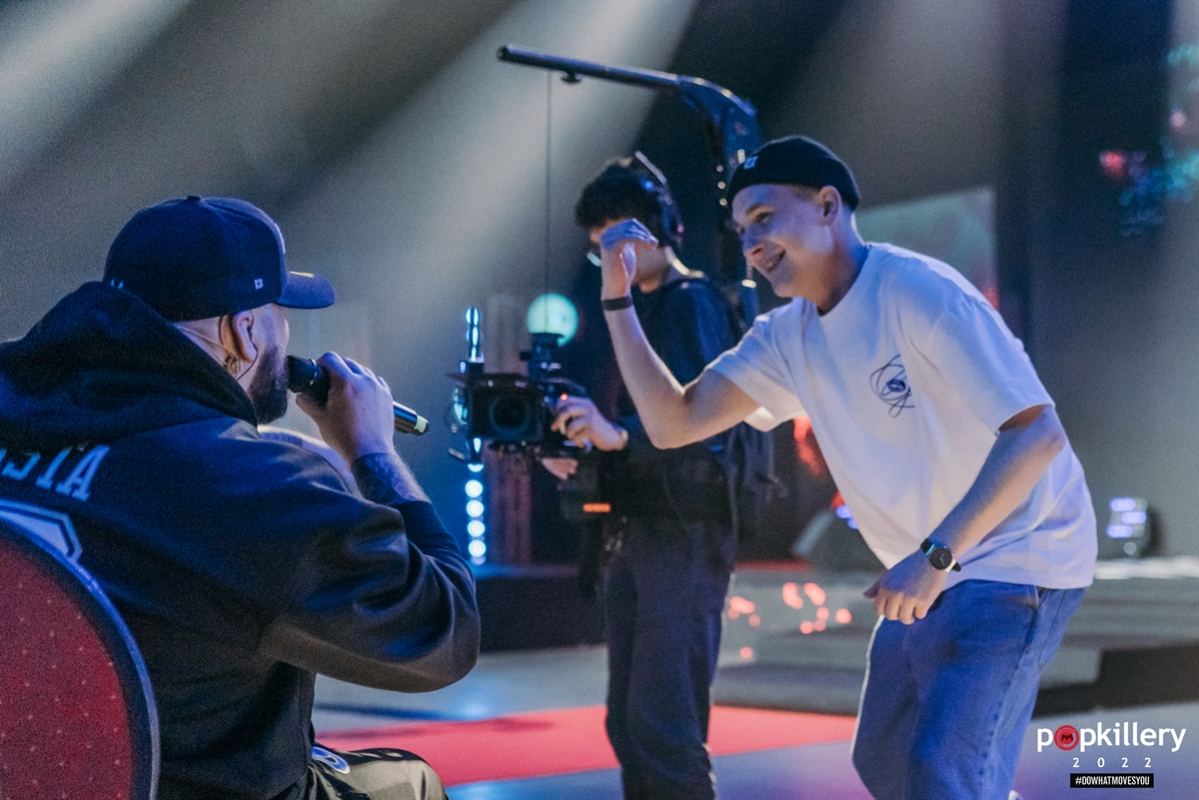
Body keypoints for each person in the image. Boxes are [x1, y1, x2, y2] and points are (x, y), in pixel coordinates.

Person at [596, 137, 1097, 800]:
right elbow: (673, 423)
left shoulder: (916, 290)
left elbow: (1037, 434)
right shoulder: (786, 335)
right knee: (885, 758)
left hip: (1016, 554)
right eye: (742, 231)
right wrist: (617, 301)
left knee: (940, 768)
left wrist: (935, 556)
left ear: (828, 206)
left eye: (764, 218)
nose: (751, 244)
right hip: (929, 568)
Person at [0, 196, 480, 800]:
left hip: (29, 778)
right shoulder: (257, 488)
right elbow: (443, 631)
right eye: (279, 314)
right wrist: (371, 453)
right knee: (408, 782)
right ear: (242, 331)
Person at [542, 155, 744, 800]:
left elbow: (701, 423)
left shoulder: (693, 303)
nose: (610, 259)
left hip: (683, 532)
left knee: (662, 724)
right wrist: (588, 450)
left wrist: (618, 433)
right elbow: (642, 429)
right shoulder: (644, 308)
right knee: (630, 725)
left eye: (618, 241)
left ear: (659, 229)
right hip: (642, 530)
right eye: (598, 247)